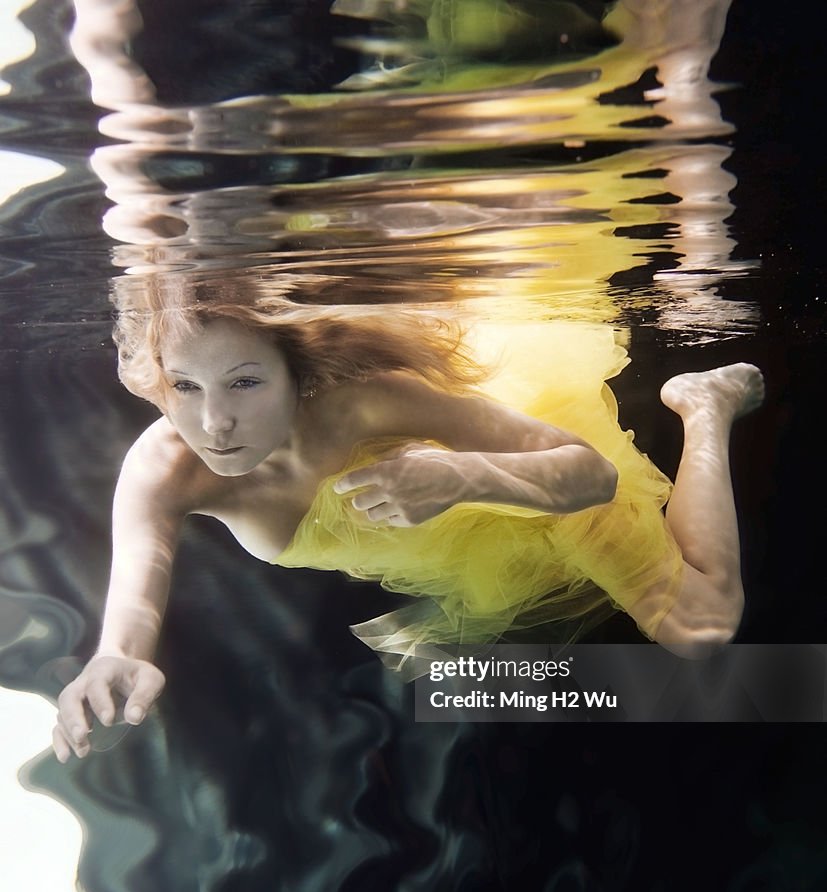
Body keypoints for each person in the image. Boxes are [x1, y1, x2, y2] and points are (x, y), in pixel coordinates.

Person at [51, 279, 764, 762]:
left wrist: (460, 475)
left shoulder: (367, 404)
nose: (214, 421)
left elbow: (590, 475)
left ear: (297, 374)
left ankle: (704, 406)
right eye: (183, 385)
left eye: (244, 381)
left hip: (530, 489)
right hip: (465, 540)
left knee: (699, 627)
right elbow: (137, 589)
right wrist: (117, 655)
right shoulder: (165, 467)